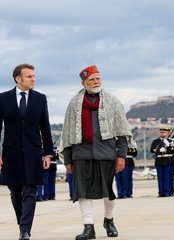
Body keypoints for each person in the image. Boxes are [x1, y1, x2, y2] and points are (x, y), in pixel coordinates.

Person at [59, 65, 132, 240]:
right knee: (83, 192)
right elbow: (67, 133)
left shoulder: (112, 101)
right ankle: (88, 227)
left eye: (98, 78)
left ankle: (109, 220)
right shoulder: (74, 104)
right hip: (81, 154)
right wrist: (68, 159)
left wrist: (121, 156)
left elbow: (122, 131)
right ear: (84, 83)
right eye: (92, 79)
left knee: (110, 191)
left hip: (106, 153)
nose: (96, 82)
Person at [0, 63, 53, 240]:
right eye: (29, 76)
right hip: (11, 153)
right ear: (18, 79)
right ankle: (22, 223)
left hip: (34, 152)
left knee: (29, 191)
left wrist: (48, 153)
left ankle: (25, 230)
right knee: (15, 191)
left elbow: (45, 127)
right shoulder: (3, 98)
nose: (33, 79)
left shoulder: (40, 98)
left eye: (34, 76)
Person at [150, 126, 174, 197]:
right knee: (160, 178)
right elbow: (152, 149)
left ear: (168, 133)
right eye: (161, 132)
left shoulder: (172, 141)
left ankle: (167, 192)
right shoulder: (156, 141)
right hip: (159, 160)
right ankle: (161, 192)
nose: (162, 133)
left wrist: (168, 145)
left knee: (167, 177)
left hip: (168, 160)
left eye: (164, 132)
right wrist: (159, 150)